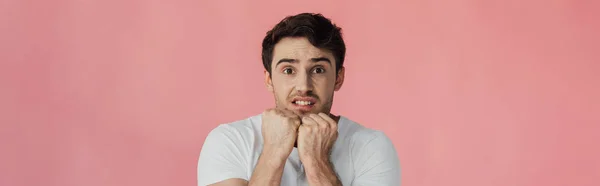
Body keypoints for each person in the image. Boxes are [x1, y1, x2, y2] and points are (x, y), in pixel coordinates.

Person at [197, 12, 401, 186]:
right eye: (288, 70)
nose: (304, 85)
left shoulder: (371, 146)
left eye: (318, 70)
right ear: (269, 79)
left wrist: (316, 161)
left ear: (338, 78)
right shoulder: (230, 140)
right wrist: (273, 153)